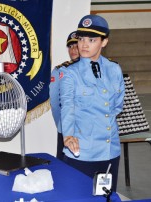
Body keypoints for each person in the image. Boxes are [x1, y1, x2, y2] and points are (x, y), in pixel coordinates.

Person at [59, 14, 125, 192]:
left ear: (104, 42)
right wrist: (68, 135)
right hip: (81, 152)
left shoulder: (114, 69)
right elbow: (67, 107)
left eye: (91, 39)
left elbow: (117, 105)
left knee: (105, 197)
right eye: (81, 39)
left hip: (109, 151)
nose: (84, 44)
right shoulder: (70, 73)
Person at [49, 31, 80, 160]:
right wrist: (62, 124)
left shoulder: (94, 68)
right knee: (64, 164)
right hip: (67, 127)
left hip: (88, 129)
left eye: (76, 46)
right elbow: (55, 102)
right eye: (70, 46)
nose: (73, 50)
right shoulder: (60, 70)